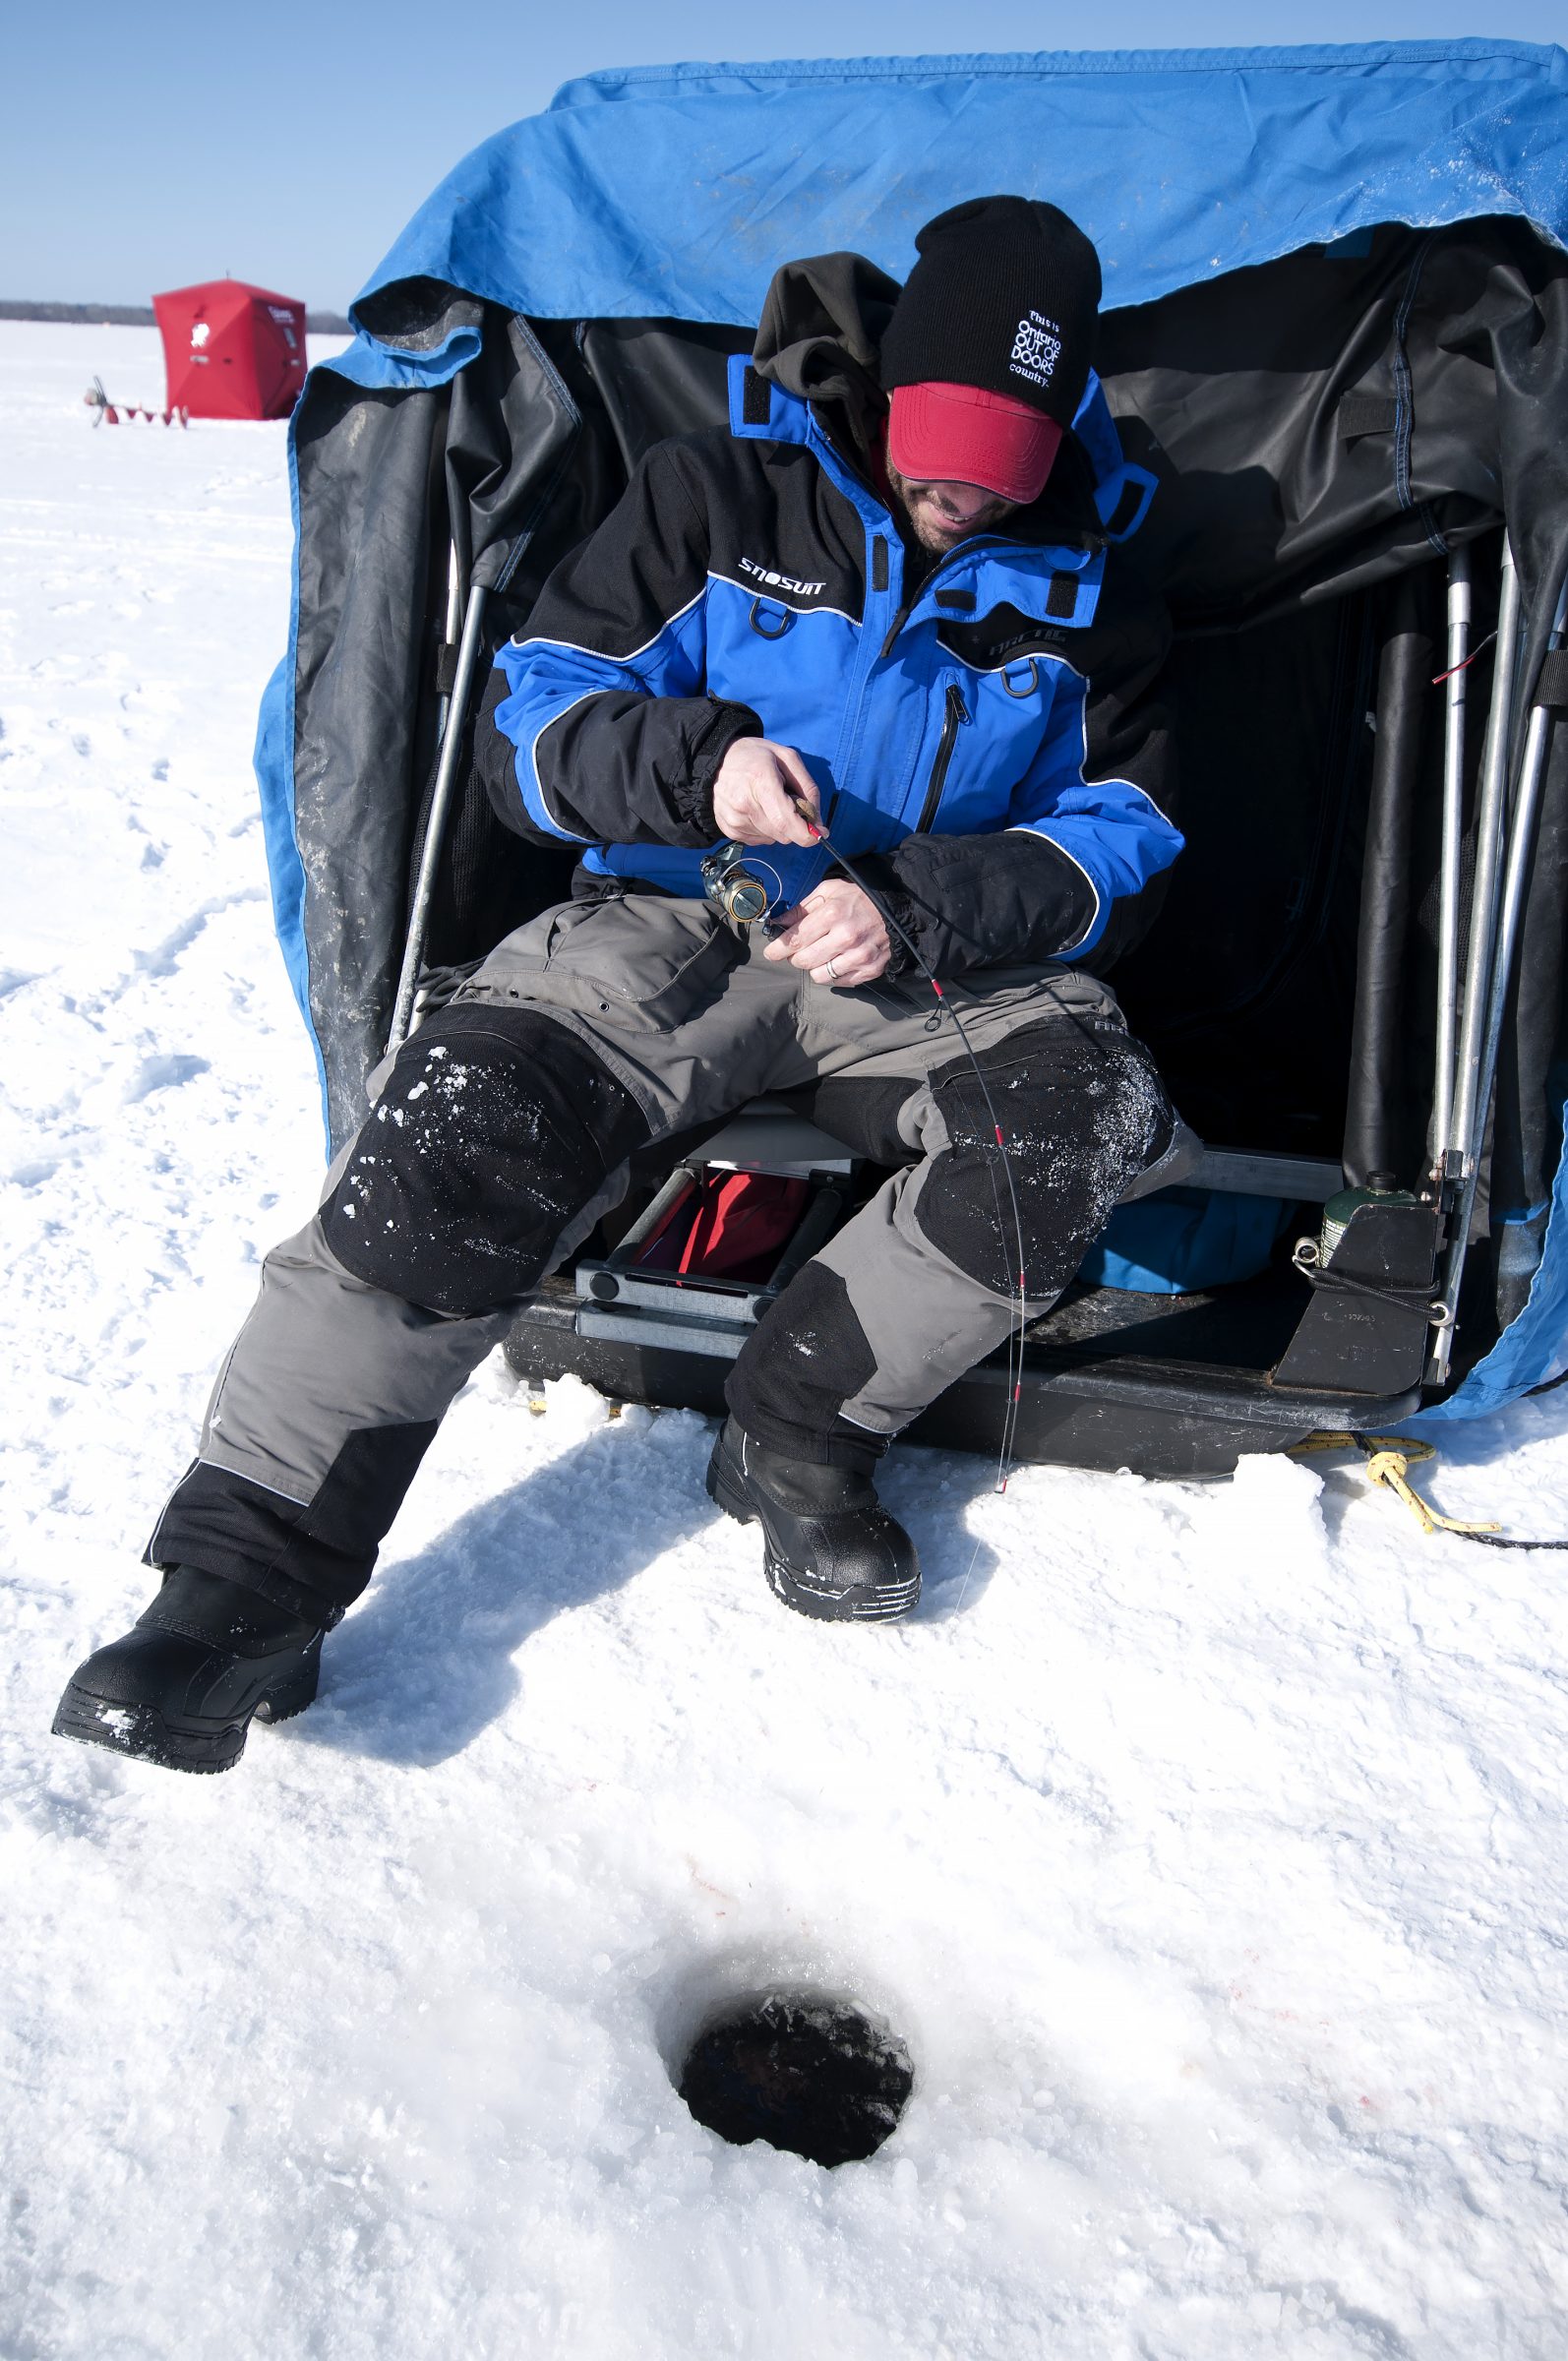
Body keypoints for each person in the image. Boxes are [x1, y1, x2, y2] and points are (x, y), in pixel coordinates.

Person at [53, 195, 1186, 1776]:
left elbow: (1123, 826)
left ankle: (799, 1437)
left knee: (1081, 1114)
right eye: (928, 467)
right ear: (883, 400)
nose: (953, 507)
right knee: (456, 1137)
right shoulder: (712, 493)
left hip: (923, 953)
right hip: (673, 917)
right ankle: (236, 1597)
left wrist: (923, 899)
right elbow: (537, 715)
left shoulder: (1096, 580)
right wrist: (698, 765)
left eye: (990, 487)